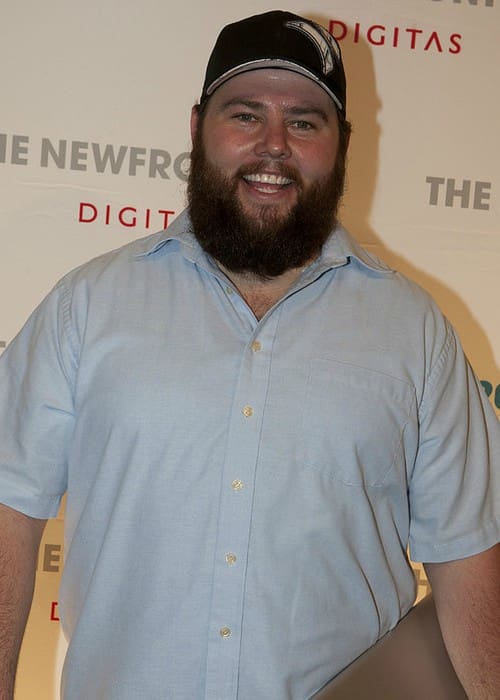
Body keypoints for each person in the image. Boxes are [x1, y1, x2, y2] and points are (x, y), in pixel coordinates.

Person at [0, 10, 498, 700]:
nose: (273, 146)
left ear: (343, 144)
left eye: (304, 122)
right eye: (244, 115)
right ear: (197, 127)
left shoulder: (415, 332)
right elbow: (7, 507)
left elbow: (471, 559)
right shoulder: (89, 305)